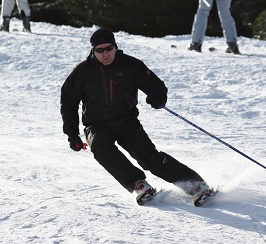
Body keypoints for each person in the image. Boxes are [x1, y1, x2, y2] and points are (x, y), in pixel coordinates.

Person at [60, 29, 214, 206]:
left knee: (148, 157)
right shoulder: (82, 72)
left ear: (115, 47)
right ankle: (138, 185)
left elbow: (156, 85)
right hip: (96, 124)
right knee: (100, 147)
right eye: (100, 50)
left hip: (126, 120)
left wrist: (157, 96)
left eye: (109, 48)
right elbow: (68, 103)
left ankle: (196, 185)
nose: (105, 54)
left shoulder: (130, 65)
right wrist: (72, 134)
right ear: (93, 51)